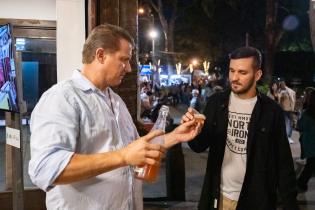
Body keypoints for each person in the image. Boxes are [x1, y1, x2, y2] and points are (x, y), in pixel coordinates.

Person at [28, 24, 201, 210]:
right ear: (100, 55)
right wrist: (123, 156)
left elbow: (135, 148)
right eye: (124, 60)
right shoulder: (63, 98)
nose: (128, 68)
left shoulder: (115, 99)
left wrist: (176, 136)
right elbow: (45, 168)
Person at [182, 47, 298, 210]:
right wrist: (192, 130)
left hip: (256, 200)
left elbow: (284, 163)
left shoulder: (271, 111)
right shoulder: (216, 103)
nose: (234, 78)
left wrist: (290, 204)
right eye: (232, 71)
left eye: (242, 72)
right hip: (220, 197)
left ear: (257, 75)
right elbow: (199, 145)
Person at [297, 90, 315, 192]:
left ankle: (301, 183)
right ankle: (301, 183)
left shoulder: (307, 113)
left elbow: (301, 126)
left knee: (310, 164)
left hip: (309, 143)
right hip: (311, 143)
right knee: (310, 165)